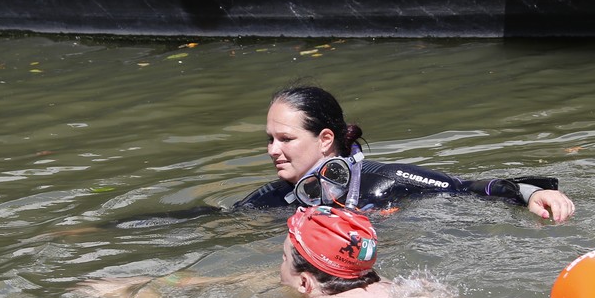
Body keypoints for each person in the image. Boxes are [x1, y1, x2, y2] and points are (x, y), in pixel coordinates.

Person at [82, 206, 476, 298]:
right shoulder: (412, 287)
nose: (277, 266)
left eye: (283, 258)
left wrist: (132, 294)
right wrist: (181, 279)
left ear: (305, 282)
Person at [235, 85, 576, 222]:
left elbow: (465, 188)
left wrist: (532, 193)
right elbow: (218, 222)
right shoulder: (270, 199)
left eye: (285, 139)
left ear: (325, 139)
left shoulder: (384, 181)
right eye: (270, 139)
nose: (272, 150)